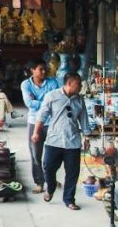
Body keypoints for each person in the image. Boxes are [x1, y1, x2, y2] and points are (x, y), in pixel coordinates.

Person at [31, 73, 89, 210]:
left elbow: (84, 120)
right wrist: (36, 132)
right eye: (78, 84)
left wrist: (87, 137)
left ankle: (69, 200)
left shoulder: (79, 100)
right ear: (69, 83)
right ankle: (50, 188)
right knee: (48, 167)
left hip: (73, 141)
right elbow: (42, 115)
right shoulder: (52, 96)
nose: (80, 87)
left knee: (72, 173)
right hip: (54, 140)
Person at [21, 60, 61, 194]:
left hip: (52, 122)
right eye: (40, 69)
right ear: (32, 70)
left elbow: (56, 101)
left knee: (54, 153)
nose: (44, 72)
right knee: (35, 154)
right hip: (34, 122)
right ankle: (39, 182)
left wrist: (38, 101)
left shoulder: (53, 82)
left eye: (45, 69)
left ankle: (51, 179)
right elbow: (29, 103)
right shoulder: (25, 84)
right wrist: (46, 102)